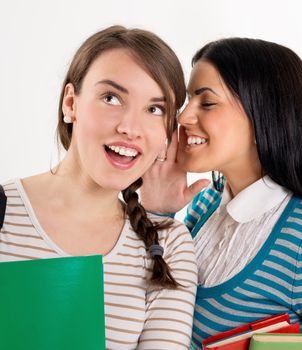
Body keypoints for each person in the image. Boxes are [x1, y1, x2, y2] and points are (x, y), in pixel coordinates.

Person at [141, 38, 302, 349]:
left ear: (263, 114)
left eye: (206, 102)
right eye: (188, 101)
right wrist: (157, 214)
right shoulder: (205, 203)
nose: (183, 117)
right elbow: (152, 307)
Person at [0, 26, 197, 349]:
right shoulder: (4, 213)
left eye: (155, 109)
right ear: (70, 103)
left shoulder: (168, 246)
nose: (130, 128)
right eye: (111, 98)